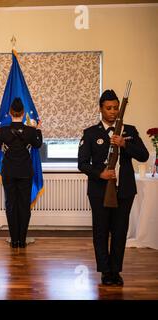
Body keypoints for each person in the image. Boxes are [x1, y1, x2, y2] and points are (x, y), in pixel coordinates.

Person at [78, 89, 149, 286]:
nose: (113, 111)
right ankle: (105, 271)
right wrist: (100, 173)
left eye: (116, 108)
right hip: (99, 191)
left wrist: (124, 145)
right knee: (101, 232)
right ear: (101, 109)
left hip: (124, 191)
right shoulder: (91, 133)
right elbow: (82, 163)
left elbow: (144, 156)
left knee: (119, 231)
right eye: (108, 108)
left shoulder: (130, 131)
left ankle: (116, 271)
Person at [0, 97, 42, 248]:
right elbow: (38, 144)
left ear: (10, 112)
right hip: (25, 172)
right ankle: (22, 240)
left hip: (9, 173)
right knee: (24, 205)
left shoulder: (3, 131)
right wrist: (38, 130)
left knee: (11, 205)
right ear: (23, 112)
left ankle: (14, 241)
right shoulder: (30, 131)